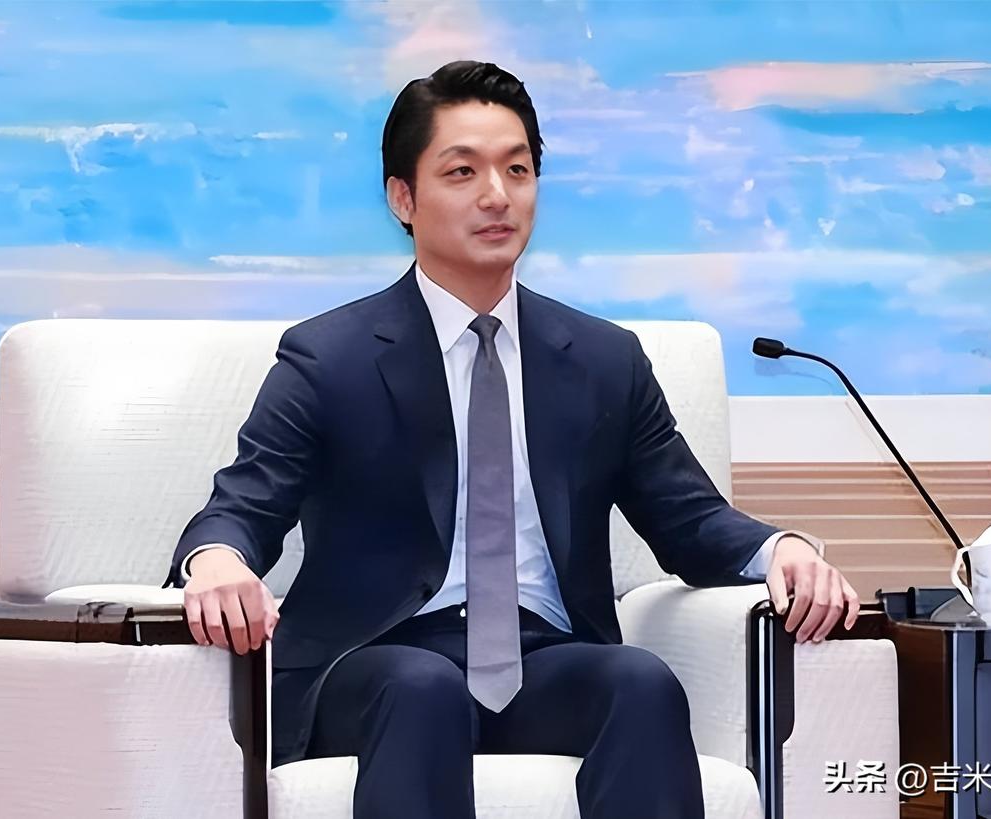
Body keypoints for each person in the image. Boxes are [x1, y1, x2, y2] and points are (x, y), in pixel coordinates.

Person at [167, 60, 859, 819]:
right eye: (462, 171)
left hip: (542, 658)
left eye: (517, 169)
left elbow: (687, 517)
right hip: (376, 664)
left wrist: (782, 550)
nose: (497, 195)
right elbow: (245, 503)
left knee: (639, 680)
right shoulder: (331, 356)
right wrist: (217, 558)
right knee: (423, 687)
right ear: (403, 198)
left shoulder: (603, 360)